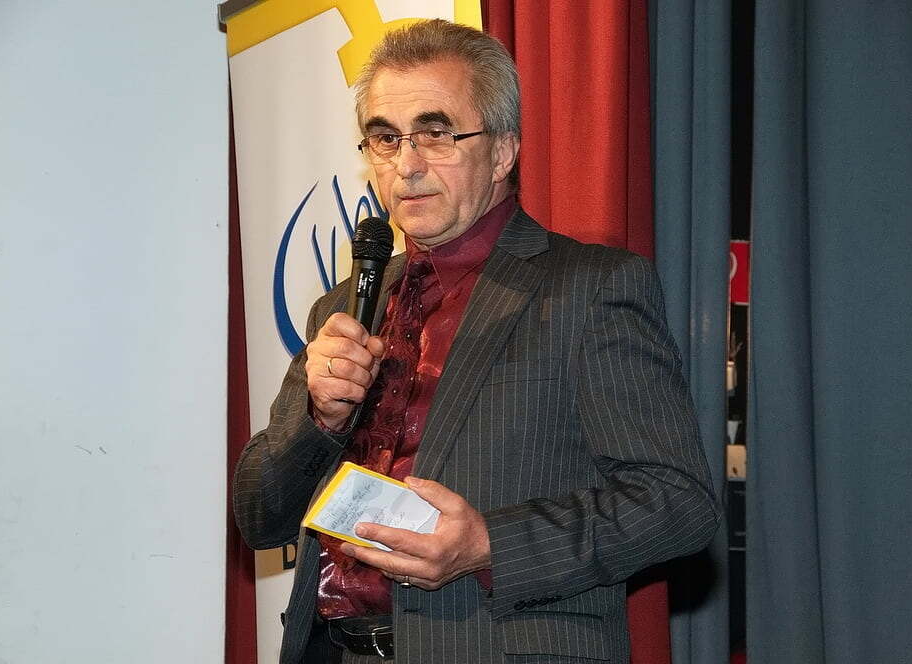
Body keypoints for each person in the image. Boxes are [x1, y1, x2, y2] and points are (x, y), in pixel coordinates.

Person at [233, 19, 720, 664]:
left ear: (503, 152)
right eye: (385, 138)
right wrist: (319, 419)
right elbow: (260, 517)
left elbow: (678, 503)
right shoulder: (345, 305)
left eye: (436, 134)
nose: (407, 165)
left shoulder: (587, 288)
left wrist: (488, 544)